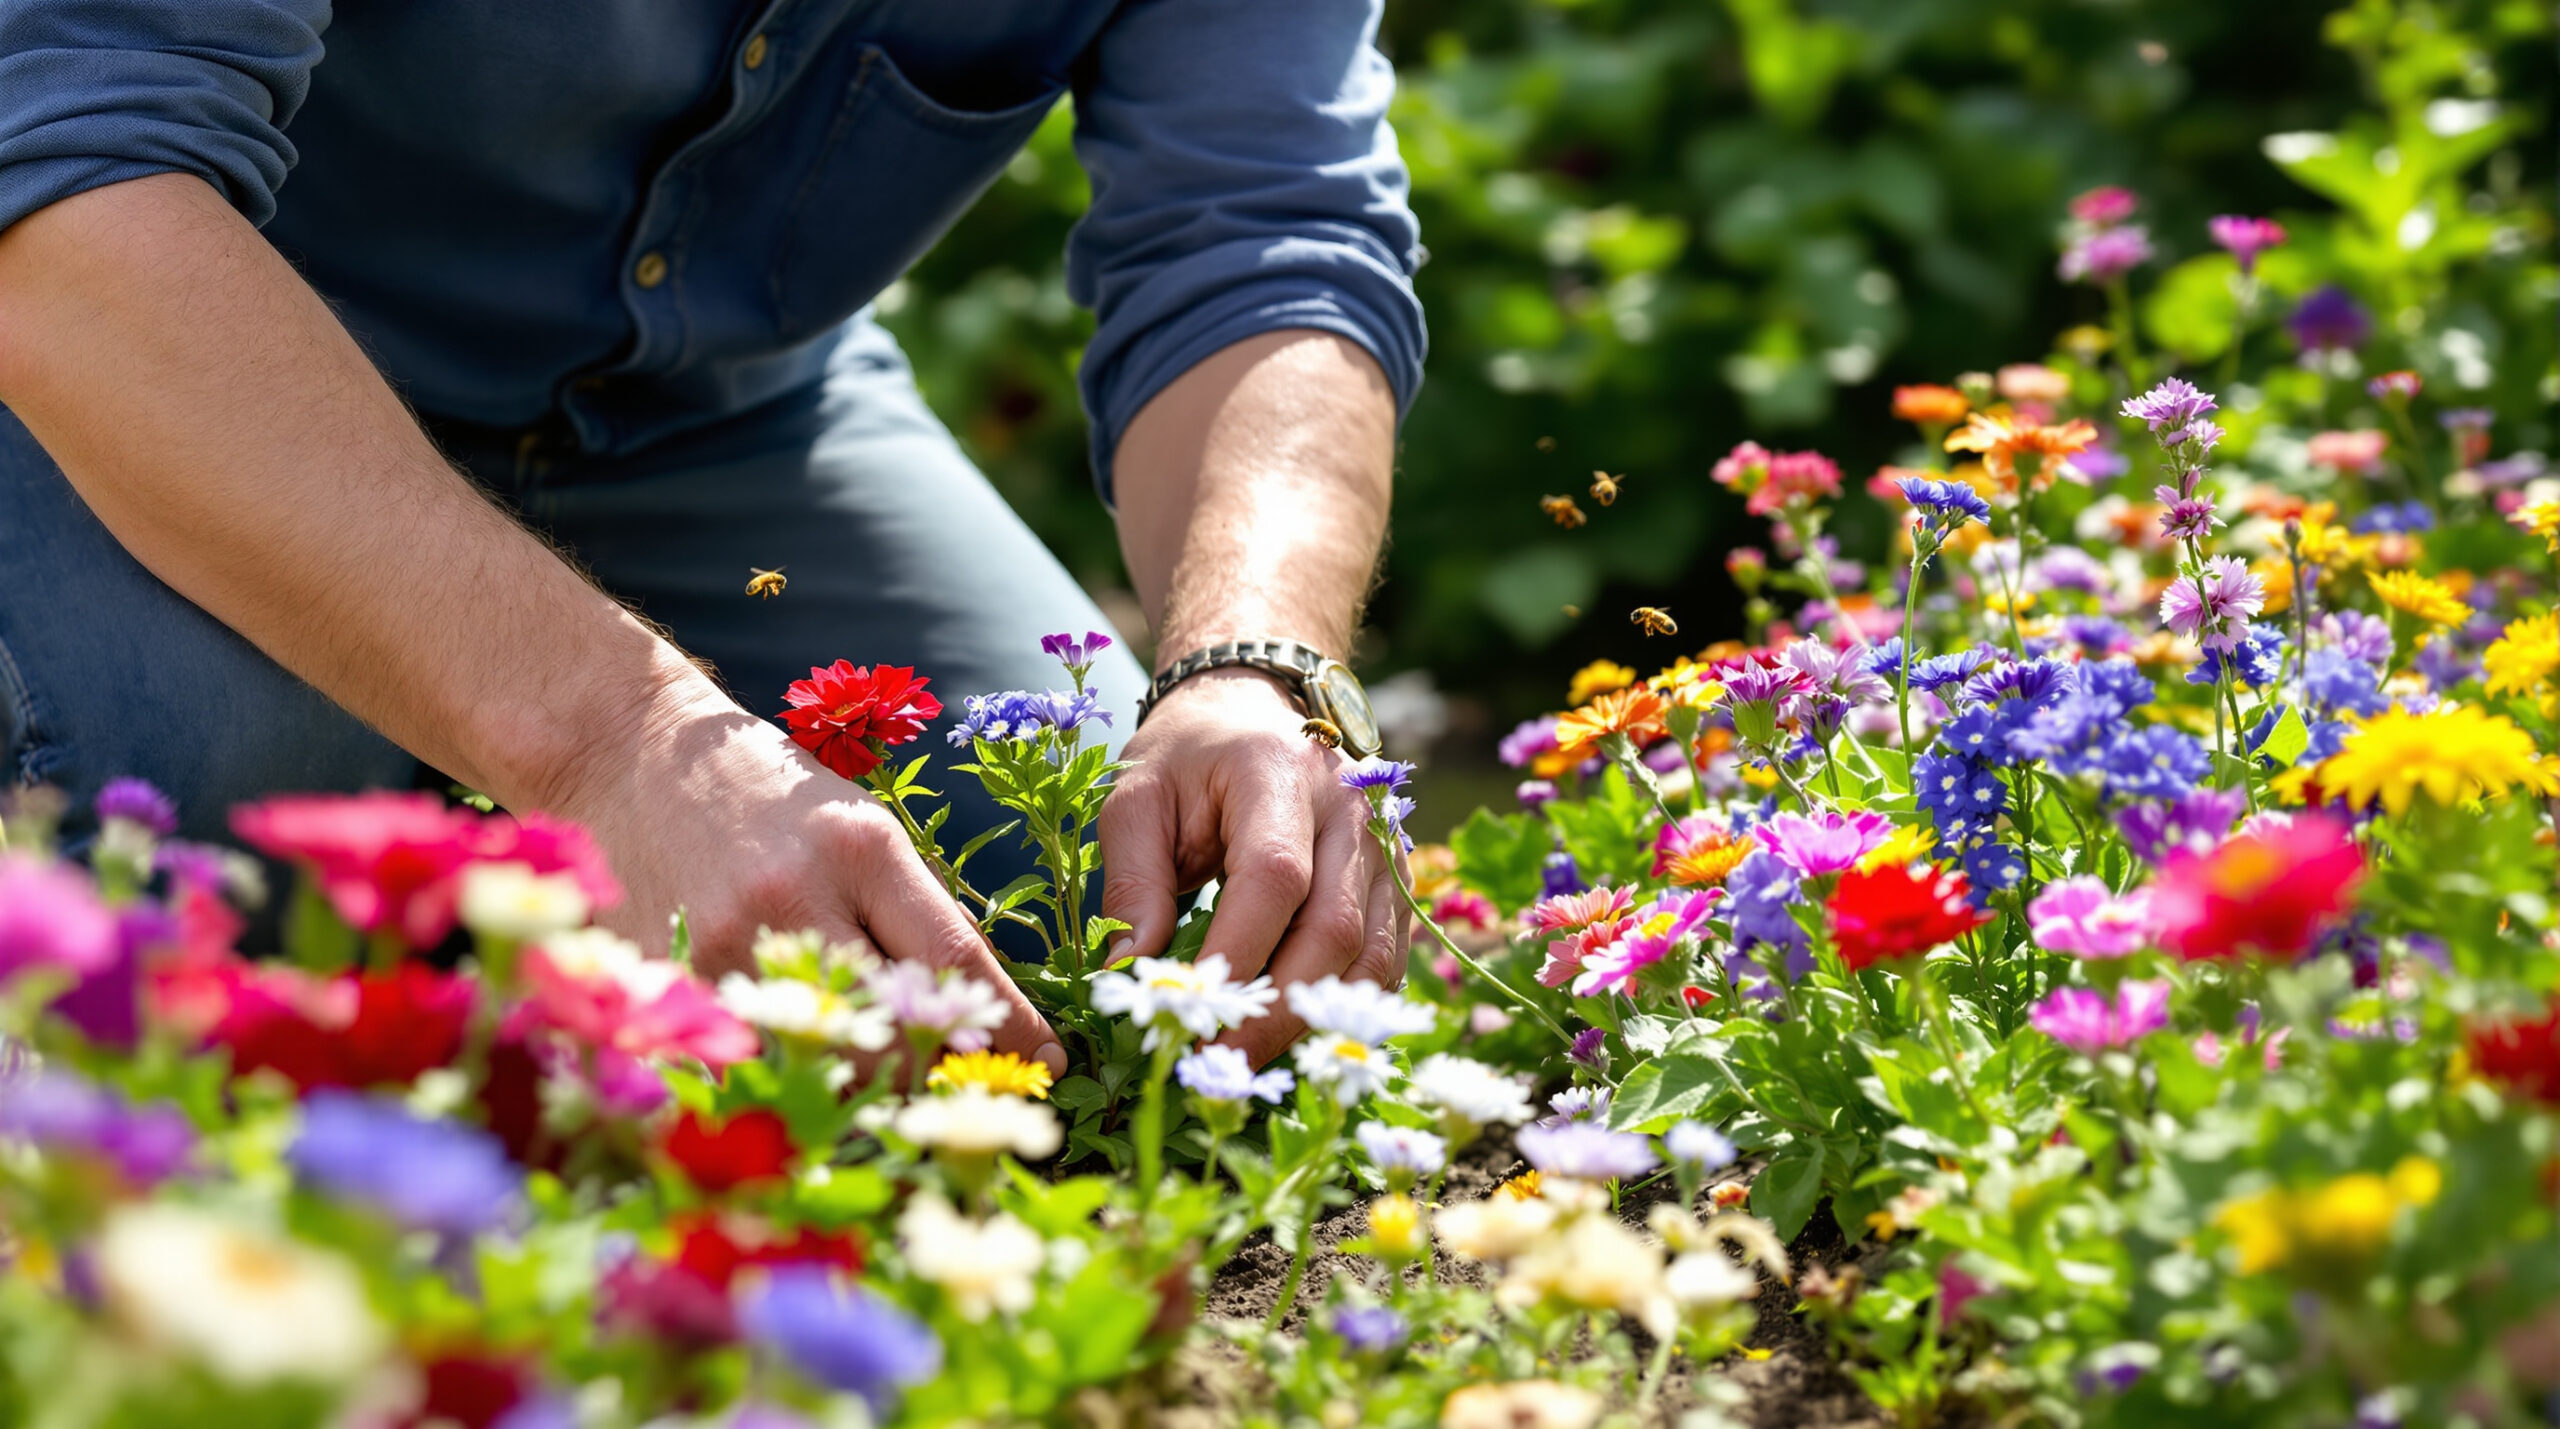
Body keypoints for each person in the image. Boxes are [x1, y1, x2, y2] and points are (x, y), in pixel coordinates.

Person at [0, 3, 1427, 1075]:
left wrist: (1257, 663)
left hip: (718, 419)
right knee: (192, 834)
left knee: (1087, 882)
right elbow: (72, 168)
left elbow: (1270, 230)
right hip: (160, 361)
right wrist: (612, 741)